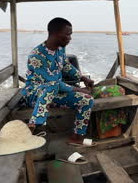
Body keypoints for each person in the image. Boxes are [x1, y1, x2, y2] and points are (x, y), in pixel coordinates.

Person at [21, 17, 95, 146]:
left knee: (87, 99)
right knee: (52, 85)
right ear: (55, 34)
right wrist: (79, 89)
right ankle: (36, 125)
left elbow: (66, 66)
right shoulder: (36, 56)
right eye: (67, 34)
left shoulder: (60, 49)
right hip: (35, 94)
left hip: (55, 93)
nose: (70, 38)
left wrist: (83, 78)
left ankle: (77, 137)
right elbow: (52, 83)